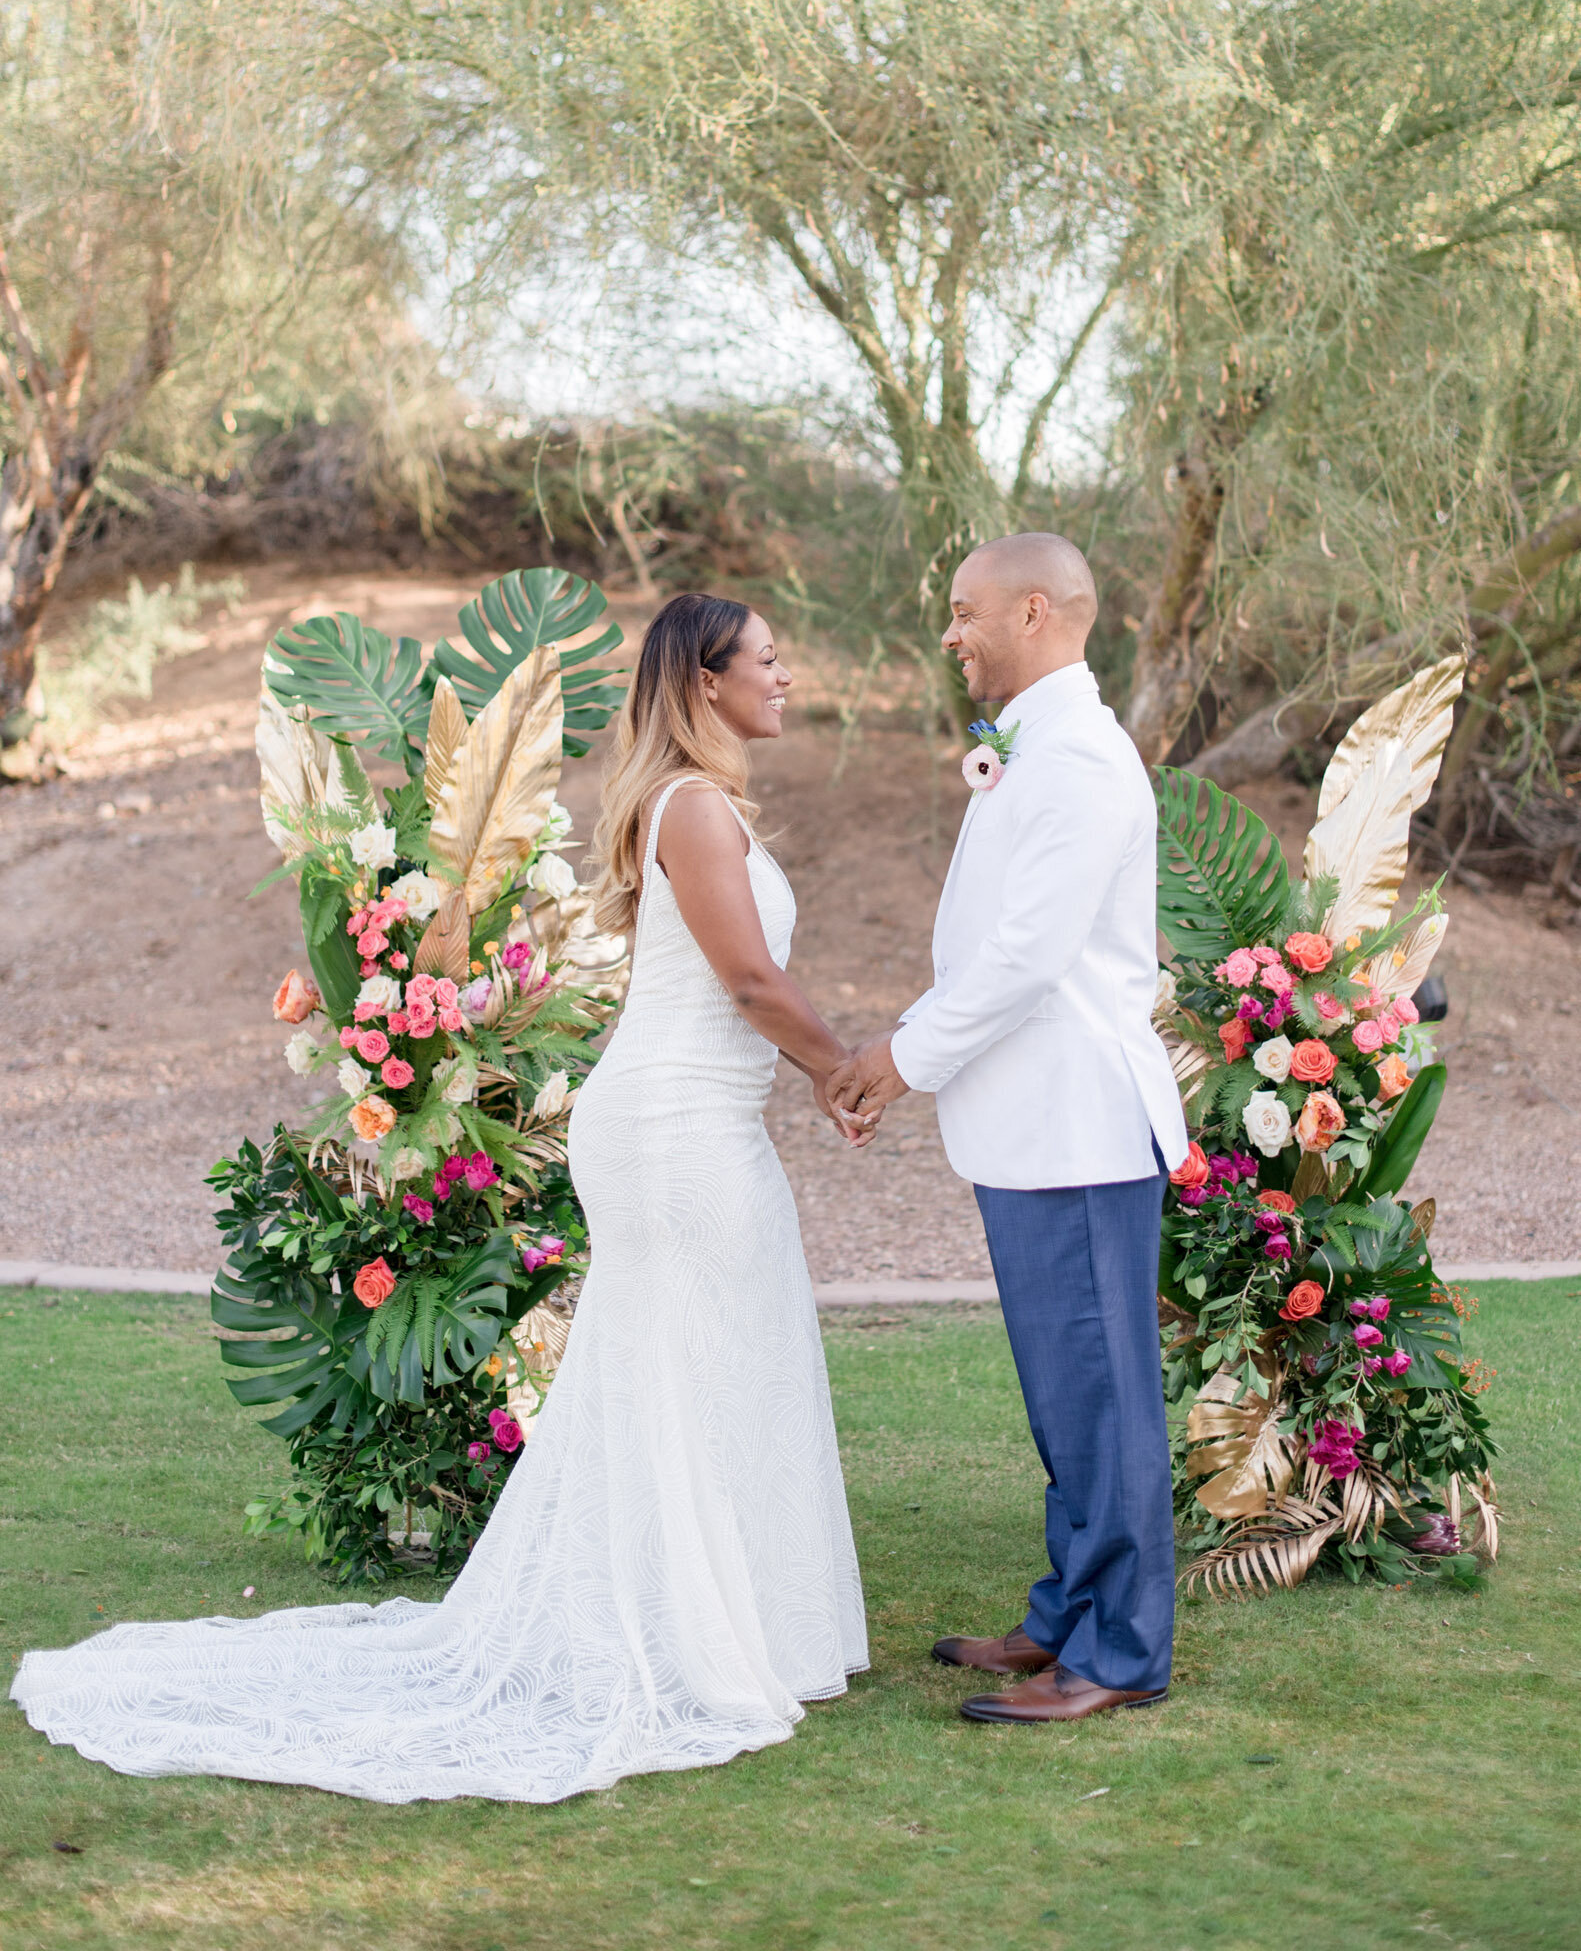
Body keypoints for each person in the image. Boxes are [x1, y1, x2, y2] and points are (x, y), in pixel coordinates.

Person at [12, 593, 869, 1802]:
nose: (786, 677)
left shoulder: (701, 808)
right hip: (673, 1130)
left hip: (700, 1120)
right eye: (767, 661)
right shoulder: (689, 808)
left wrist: (826, 1068)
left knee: (719, 1358)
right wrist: (842, 1066)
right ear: (705, 684)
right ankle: (682, 1633)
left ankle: (734, 1622)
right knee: (689, 1360)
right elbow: (745, 977)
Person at [828, 533, 1188, 1725]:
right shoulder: (1033, 746)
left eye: (962, 610)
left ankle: (1124, 1652)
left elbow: (1026, 960)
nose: (950, 633)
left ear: (1034, 611)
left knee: (1103, 1398)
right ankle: (1063, 1620)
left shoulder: (1083, 759)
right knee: (1061, 1393)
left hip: (1078, 1129)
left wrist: (897, 1058)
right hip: (1031, 1129)